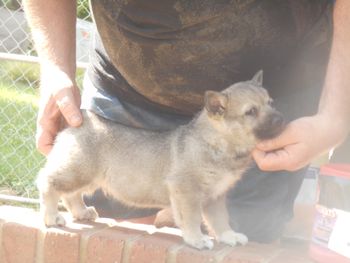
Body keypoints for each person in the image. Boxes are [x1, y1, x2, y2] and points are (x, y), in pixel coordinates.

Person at [23, 0, 350, 242]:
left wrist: (334, 114)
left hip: (280, 92)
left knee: (247, 236)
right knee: (111, 237)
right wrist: (55, 69)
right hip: (125, 98)